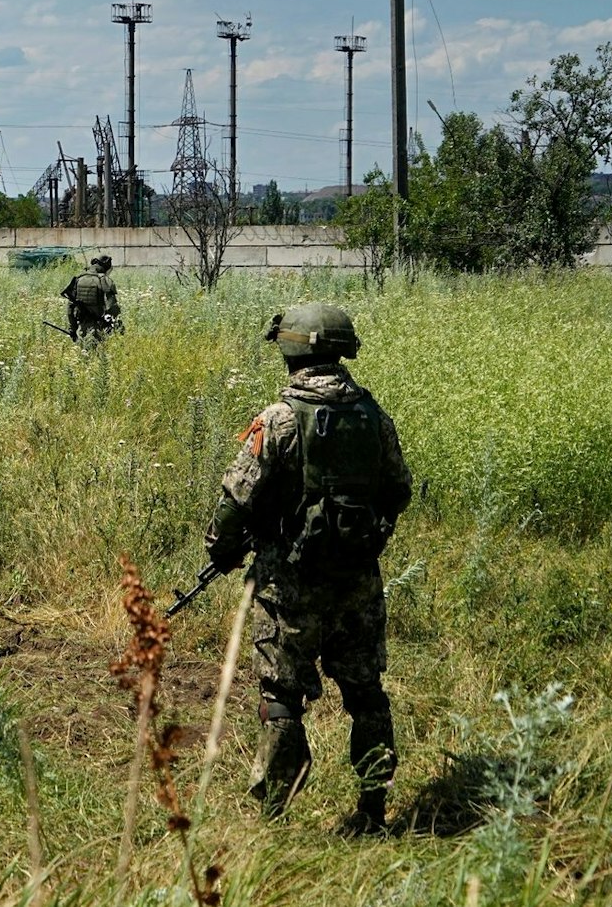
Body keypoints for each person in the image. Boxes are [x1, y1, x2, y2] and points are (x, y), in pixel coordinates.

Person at [202, 303, 413, 834]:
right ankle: (373, 811)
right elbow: (400, 489)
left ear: (294, 350)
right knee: (366, 694)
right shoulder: (373, 415)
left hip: (289, 586)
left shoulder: (277, 421)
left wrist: (220, 550)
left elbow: (235, 502)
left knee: (280, 698)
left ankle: (274, 816)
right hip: (358, 582)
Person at [61, 254, 122, 342]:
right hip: (100, 328)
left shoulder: (78, 279)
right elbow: (113, 308)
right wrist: (118, 326)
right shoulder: (105, 280)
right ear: (106, 266)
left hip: (82, 328)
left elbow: (70, 309)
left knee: (84, 353)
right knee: (99, 354)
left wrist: (73, 329)